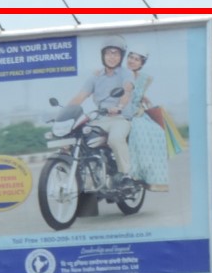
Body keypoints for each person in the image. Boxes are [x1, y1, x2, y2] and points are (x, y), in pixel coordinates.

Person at [61, 34, 136, 181]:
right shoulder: (95, 77)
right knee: (77, 137)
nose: (112, 57)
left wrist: (119, 106)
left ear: (121, 56)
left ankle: (127, 174)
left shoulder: (126, 73)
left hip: (120, 119)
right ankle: (82, 172)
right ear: (103, 56)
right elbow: (80, 96)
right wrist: (65, 112)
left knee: (115, 139)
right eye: (108, 53)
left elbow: (126, 91)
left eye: (116, 54)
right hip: (99, 119)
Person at [119, 46, 171, 192]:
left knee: (158, 133)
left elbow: (137, 93)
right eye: (131, 57)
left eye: (137, 59)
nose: (132, 61)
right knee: (138, 132)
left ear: (141, 63)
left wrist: (144, 98)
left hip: (137, 112)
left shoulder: (144, 79)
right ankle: (133, 172)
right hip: (120, 112)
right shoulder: (120, 74)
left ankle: (149, 174)